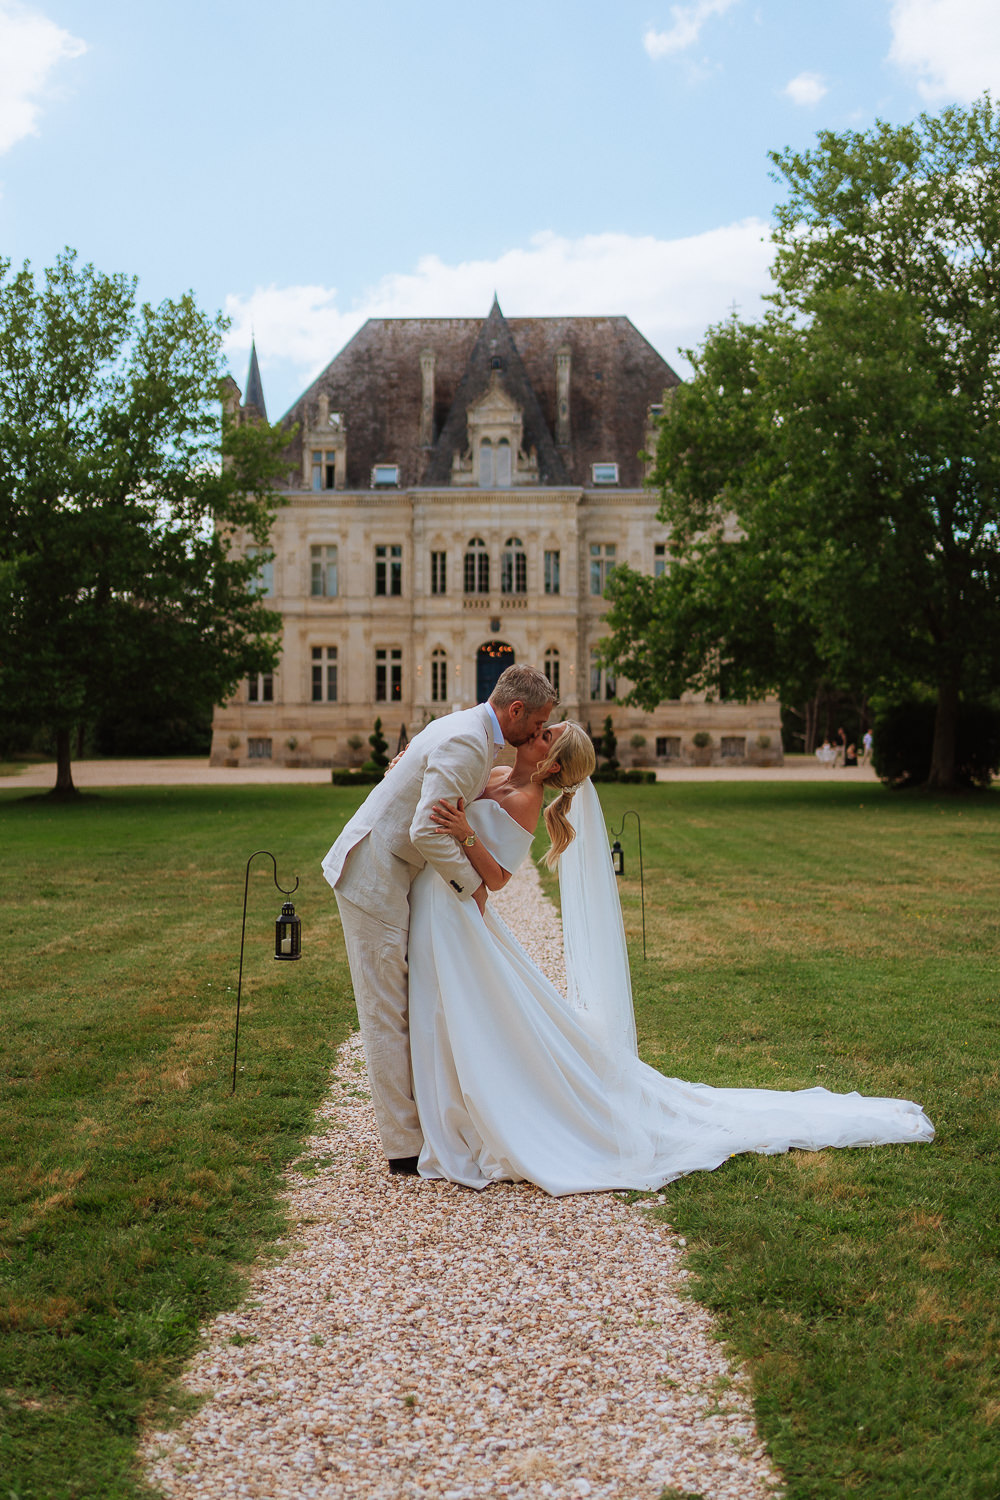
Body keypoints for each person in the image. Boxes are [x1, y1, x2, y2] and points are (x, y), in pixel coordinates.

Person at [406, 723, 934, 1195]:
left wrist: (465, 833)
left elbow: (497, 878)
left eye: (547, 734)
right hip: (447, 903)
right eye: (543, 726)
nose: (537, 730)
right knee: (459, 1010)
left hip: (462, 907)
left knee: (467, 1010)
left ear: (552, 764)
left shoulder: (525, 798)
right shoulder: (497, 769)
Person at [321, 663, 557, 1175]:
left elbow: (428, 786)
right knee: (385, 1012)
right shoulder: (470, 742)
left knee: (403, 1005)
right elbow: (427, 832)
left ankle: (418, 1126)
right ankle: (403, 1148)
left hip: (393, 875)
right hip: (373, 876)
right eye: (537, 724)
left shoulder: (465, 728)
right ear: (515, 710)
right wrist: (473, 888)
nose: (537, 733)